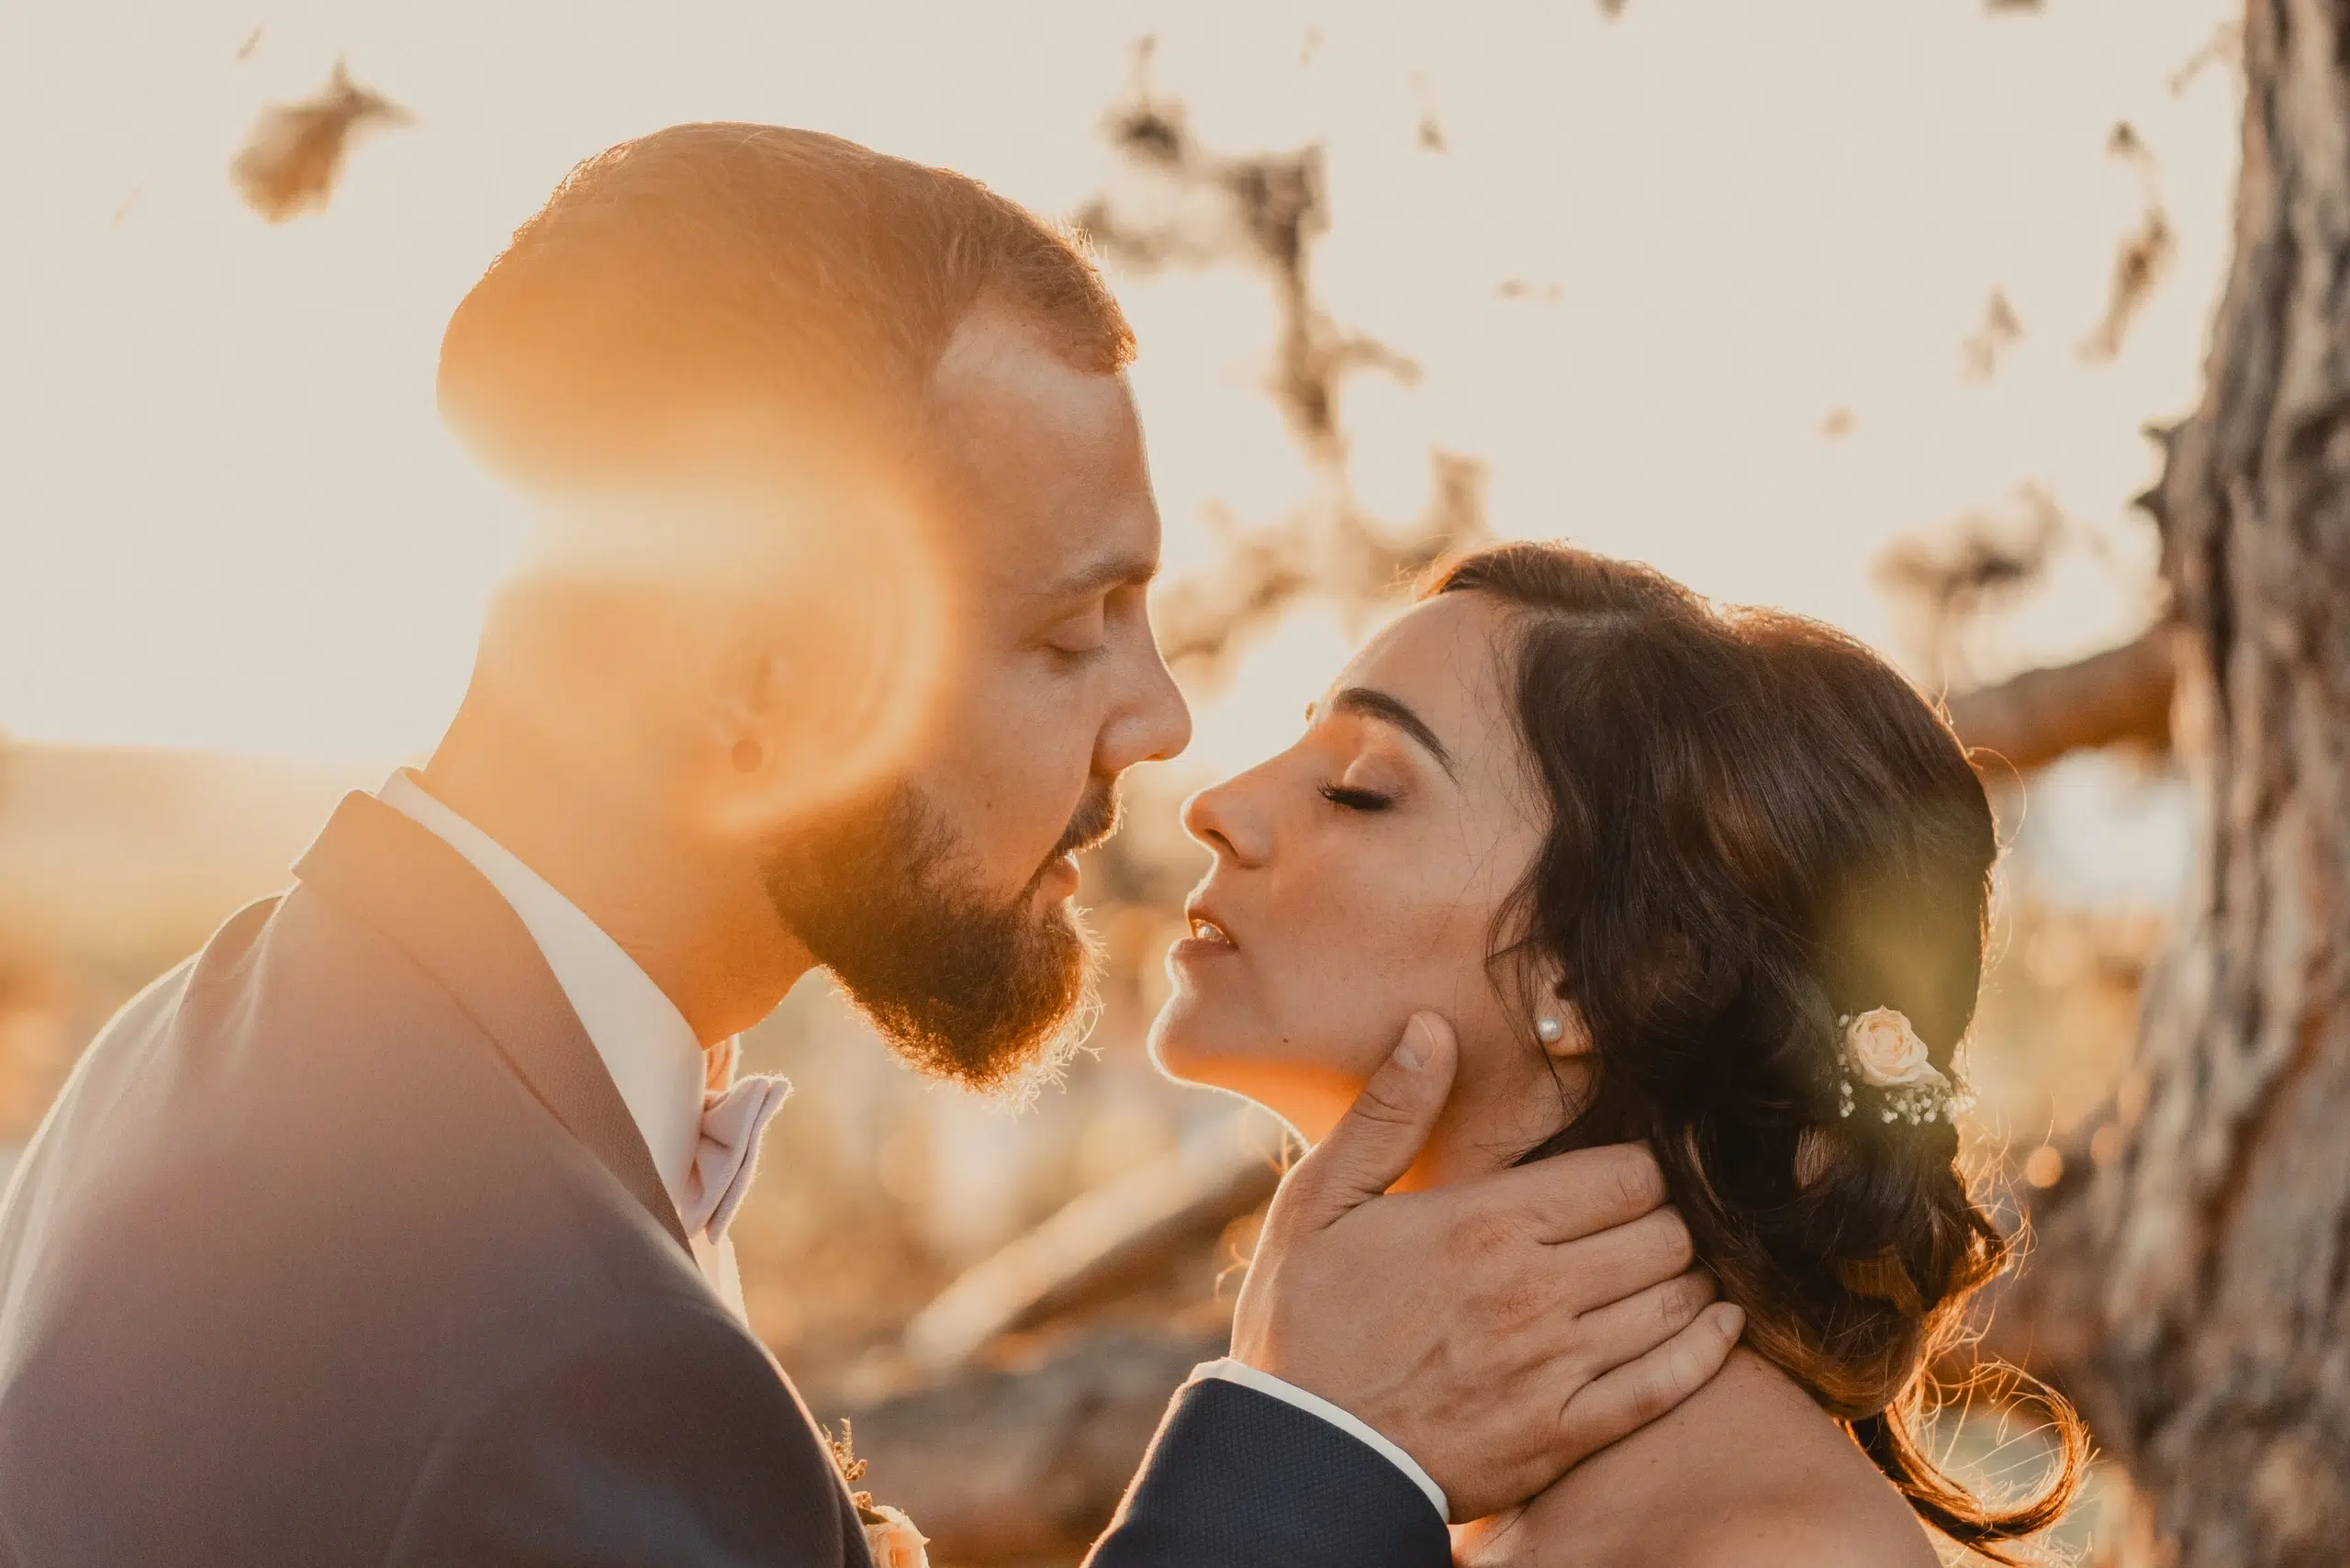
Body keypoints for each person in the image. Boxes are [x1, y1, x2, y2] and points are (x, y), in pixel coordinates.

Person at [0, 127, 1744, 1567]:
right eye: (1071, 634)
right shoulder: (539, 1336)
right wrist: (1313, 1453)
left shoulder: (214, 1044)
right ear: (759, 687)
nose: (1162, 726)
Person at [1150, 541, 2087, 1567]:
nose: (1217, 804)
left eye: (1359, 786)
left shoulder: (1766, 1549)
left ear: (1618, 974)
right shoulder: (1449, 1505)